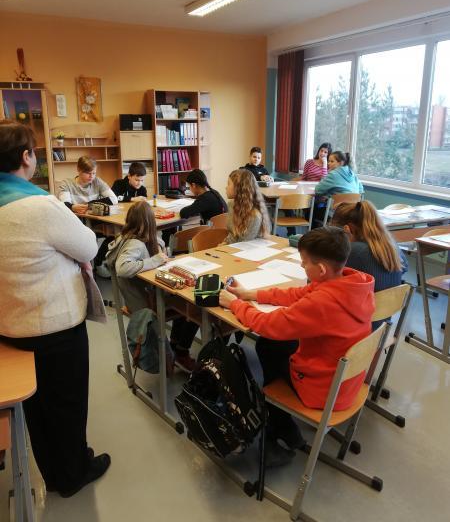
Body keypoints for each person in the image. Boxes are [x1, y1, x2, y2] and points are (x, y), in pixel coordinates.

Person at [0, 121, 111, 497]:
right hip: (55, 327)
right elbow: (88, 246)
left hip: (10, 326)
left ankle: (52, 471)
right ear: (26, 157)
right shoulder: (40, 205)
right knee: (67, 404)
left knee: (37, 410)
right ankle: (73, 475)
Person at [219, 226, 374, 466]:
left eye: (304, 263)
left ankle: (280, 425)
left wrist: (235, 305)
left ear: (321, 269)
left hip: (324, 391)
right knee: (278, 344)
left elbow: (267, 324)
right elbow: (298, 294)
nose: (302, 266)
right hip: (348, 382)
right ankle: (281, 425)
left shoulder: (322, 302)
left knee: (267, 345)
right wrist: (251, 294)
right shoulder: (352, 284)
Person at [106, 200, 199, 372]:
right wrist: (155, 260)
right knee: (192, 305)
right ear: (149, 222)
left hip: (144, 295)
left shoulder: (127, 238)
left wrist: (159, 248)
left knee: (185, 302)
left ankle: (176, 347)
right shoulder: (135, 243)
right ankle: (180, 350)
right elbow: (122, 267)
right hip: (146, 302)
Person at [331, 201, 408, 327]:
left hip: (357, 327)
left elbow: (326, 283)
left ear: (347, 229)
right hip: (380, 327)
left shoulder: (355, 251)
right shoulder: (391, 245)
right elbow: (405, 268)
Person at [312, 151, 364, 227]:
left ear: (341, 163)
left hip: (337, 212)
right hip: (354, 212)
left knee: (311, 210)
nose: (328, 163)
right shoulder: (353, 175)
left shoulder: (333, 174)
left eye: (332, 161)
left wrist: (328, 194)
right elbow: (361, 191)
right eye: (328, 161)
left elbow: (318, 190)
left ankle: (316, 232)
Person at [224, 168, 271, 244]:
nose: (226, 187)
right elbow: (231, 233)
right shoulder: (231, 204)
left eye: (229, 184)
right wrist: (224, 243)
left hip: (247, 248)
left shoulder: (255, 216)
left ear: (238, 188)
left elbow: (244, 243)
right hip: (232, 246)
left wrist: (226, 246)